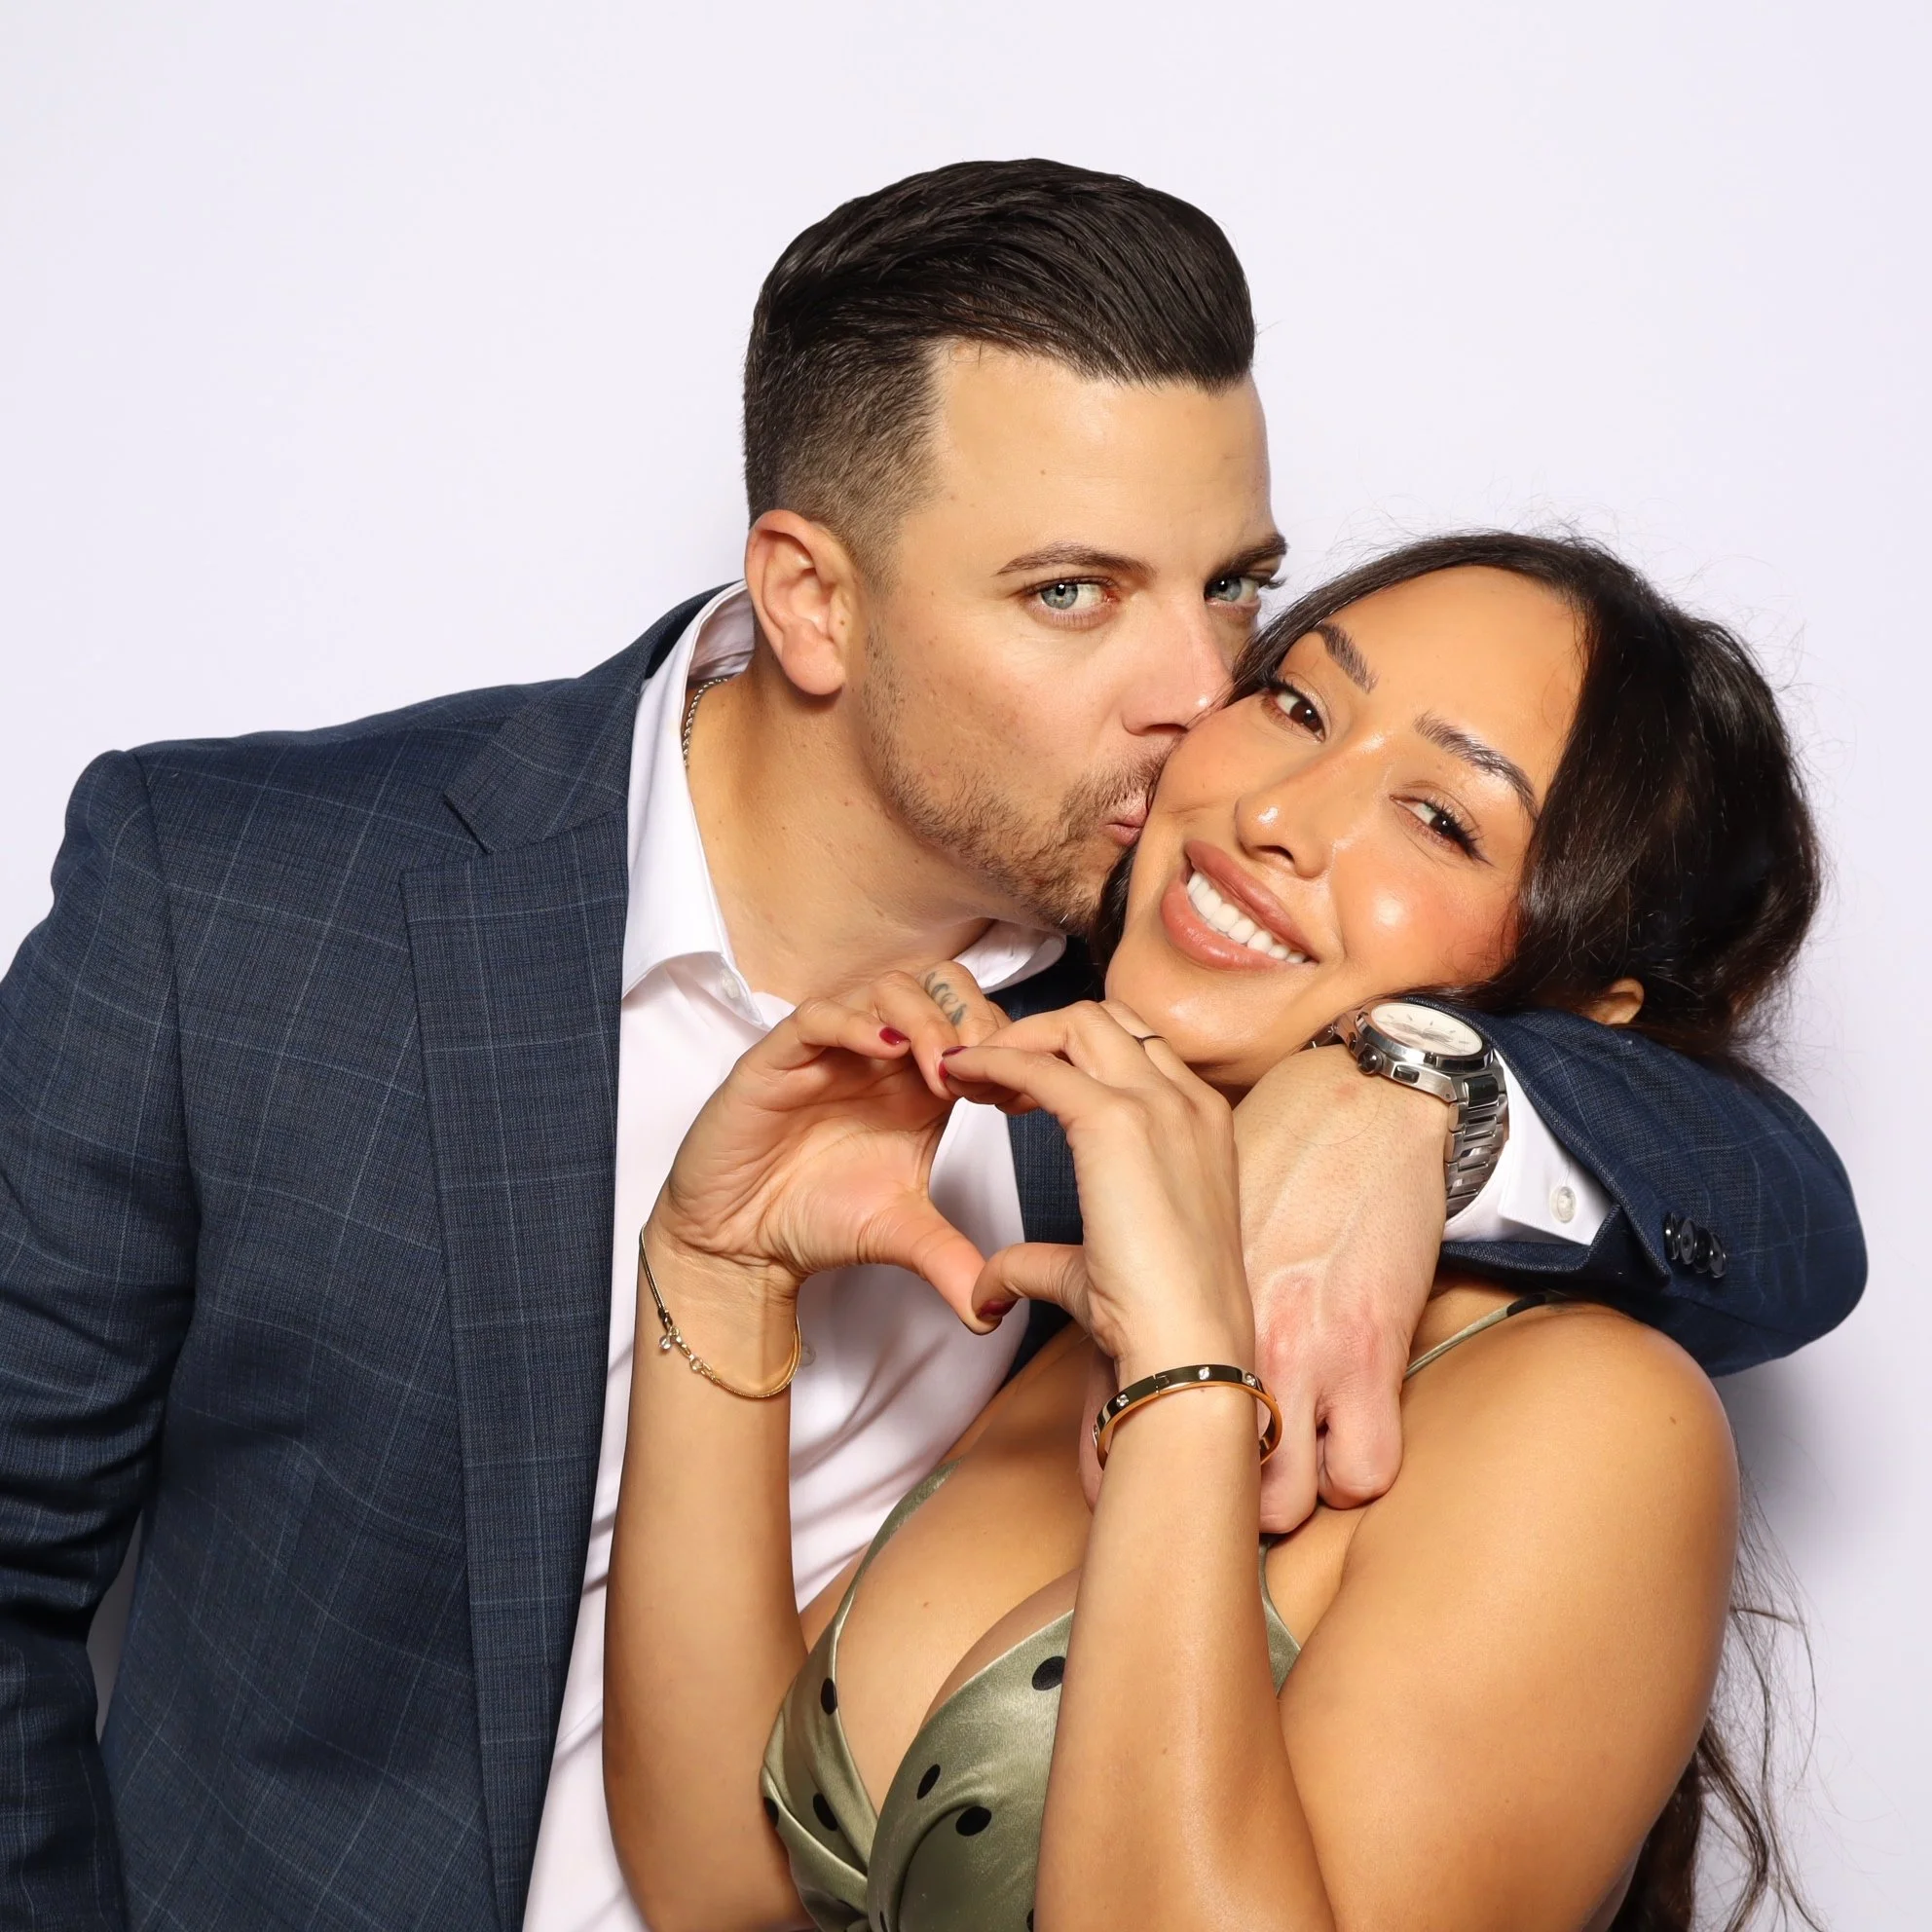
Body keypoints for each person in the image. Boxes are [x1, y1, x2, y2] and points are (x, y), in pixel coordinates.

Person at [0, 163, 1858, 1929]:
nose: (1204, 698)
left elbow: (1779, 1204)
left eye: (1233, 588)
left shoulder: (1159, 994)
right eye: (1074, 593)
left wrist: (1411, 1095)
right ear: (813, 597)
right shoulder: (234, 902)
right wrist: (717, 1271)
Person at [606, 533, 1832, 1932]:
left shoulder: (1590, 1424)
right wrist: (720, 1263)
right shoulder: (1078, 1271)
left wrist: (1190, 1377)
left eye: (1441, 819)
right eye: (1298, 705)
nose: (1277, 812)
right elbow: (727, 1889)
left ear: (1592, 1015)